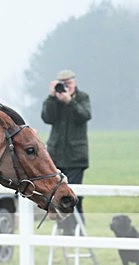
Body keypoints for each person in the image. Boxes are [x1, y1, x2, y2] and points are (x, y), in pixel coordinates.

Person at [41, 69, 92, 235]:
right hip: (56, 157)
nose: (66, 87)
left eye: (69, 83)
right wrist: (51, 97)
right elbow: (47, 118)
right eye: (63, 84)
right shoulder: (54, 100)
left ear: (74, 82)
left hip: (76, 158)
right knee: (58, 194)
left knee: (74, 194)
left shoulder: (82, 97)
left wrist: (70, 101)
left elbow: (84, 115)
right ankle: (66, 228)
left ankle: (77, 228)